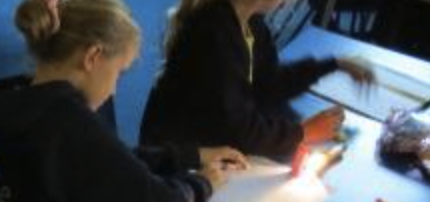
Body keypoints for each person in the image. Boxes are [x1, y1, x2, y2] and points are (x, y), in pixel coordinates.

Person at [0, 0, 244, 202]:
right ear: (92, 57)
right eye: (119, 73)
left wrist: (189, 156)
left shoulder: (25, 105)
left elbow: (110, 162)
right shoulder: (70, 123)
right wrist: (205, 183)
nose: (114, 89)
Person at [141, 0, 374, 160]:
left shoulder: (251, 24)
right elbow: (241, 130)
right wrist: (301, 133)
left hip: (213, 142)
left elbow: (268, 85)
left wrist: (334, 64)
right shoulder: (213, 35)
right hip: (180, 158)